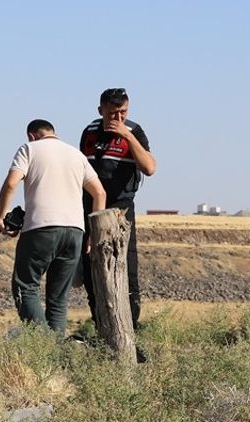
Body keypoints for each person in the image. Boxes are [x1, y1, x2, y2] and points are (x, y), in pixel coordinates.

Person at [0, 119, 106, 335]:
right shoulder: (76, 155)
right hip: (75, 232)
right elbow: (99, 193)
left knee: (25, 287)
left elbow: (11, 183)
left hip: (40, 228)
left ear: (32, 135)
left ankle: (45, 347)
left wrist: (0, 216)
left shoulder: (29, 149)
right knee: (58, 299)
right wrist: (94, 233)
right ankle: (56, 356)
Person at [79, 87, 156, 327]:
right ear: (101, 110)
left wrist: (127, 136)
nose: (118, 118)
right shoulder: (90, 131)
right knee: (92, 267)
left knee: (126, 268)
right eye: (113, 113)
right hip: (90, 207)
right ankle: (100, 322)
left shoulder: (134, 130)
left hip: (121, 209)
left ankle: (130, 325)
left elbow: (150, 168)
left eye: (123, 112)